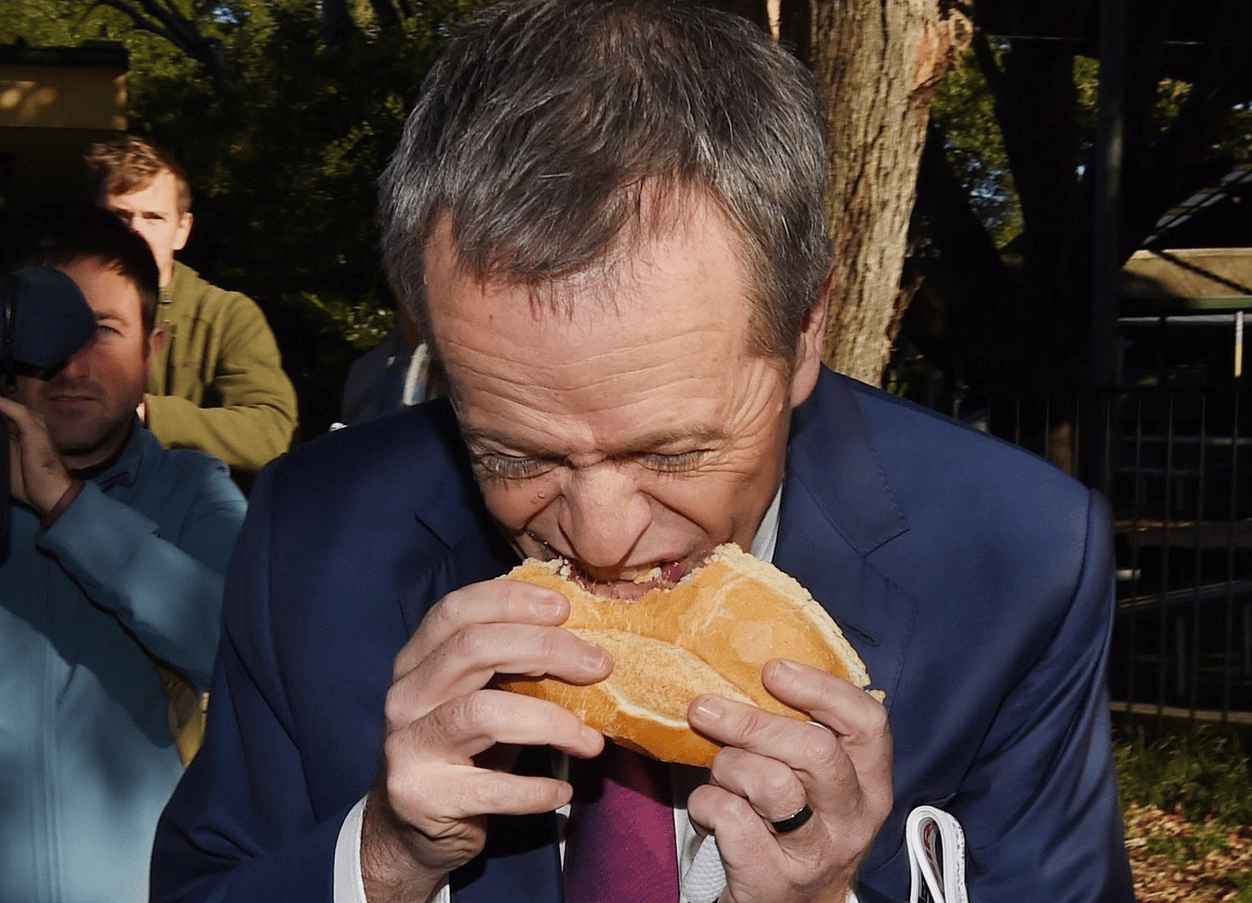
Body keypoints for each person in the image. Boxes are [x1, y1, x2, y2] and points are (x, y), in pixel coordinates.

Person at [151, 2, 1136, 902]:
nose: (603, 536)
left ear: (804, 329)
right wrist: (385, 857)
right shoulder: (312, 539)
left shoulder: (1022, 562)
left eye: (673, 453)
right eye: (513, 455)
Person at [0, 204, 247, 903]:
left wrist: (69, 507)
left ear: (152, 348)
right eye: (44, 333)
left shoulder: (194, 491)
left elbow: (244, 651)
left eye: (102, 332)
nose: (70, 363)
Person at [85, 135, 298, 476]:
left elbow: (270, 432)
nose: (135, 233)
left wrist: (146, 415)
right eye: (119, 217)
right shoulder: (54, 308)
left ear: (182, 230)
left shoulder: (227, 317)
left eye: (153, 217)